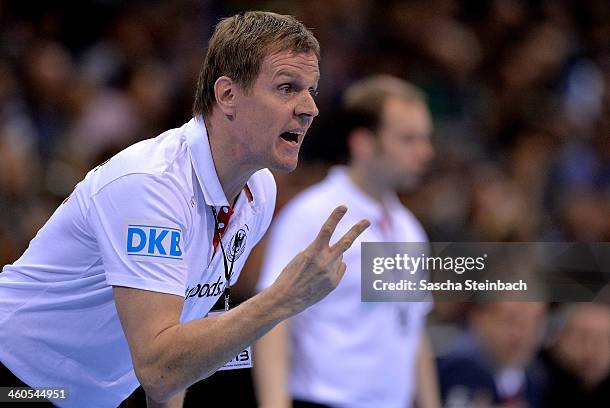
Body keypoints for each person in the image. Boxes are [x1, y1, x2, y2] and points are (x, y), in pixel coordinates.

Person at [0, 11, 370, 408]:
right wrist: (283, 298)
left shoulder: (258, 189)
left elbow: (181, 350)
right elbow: (159, 368)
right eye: (287, 87)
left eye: (311, 89)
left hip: (90, 396)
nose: (310, 107)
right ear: (227, 95)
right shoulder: (151, 184)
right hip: (17, 383)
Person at [253, 75, 440, 408]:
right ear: (363, 144)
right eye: (409, 139)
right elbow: (273, 319)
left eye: (425, 138)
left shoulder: (409, 228)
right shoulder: (313, 215)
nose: (425, 152)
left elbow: (413, 332)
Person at [437, 301, 548, 408]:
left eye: (531, 324)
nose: (519, 335)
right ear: (479, 318)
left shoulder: (536, 380)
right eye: (510, 320)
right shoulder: (457, 369)